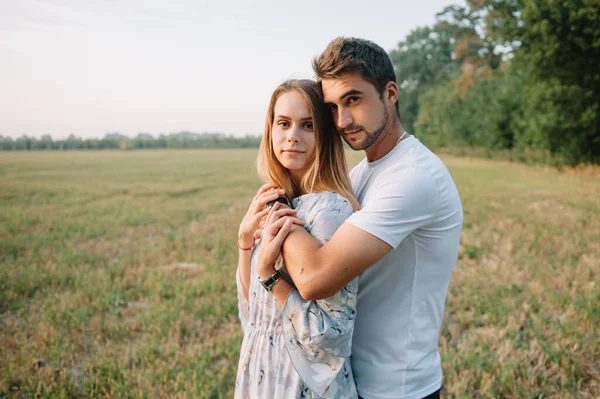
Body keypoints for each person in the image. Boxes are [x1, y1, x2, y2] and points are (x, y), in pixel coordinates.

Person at [264, 37, 464, 399]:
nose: (342, 120)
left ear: (390, 93)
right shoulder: (362, 174)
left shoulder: (414, 177)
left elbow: (313, 278)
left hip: (396, 387)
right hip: (353, 379)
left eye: (353, 99)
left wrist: (279, 201)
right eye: (332, 107)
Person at [234, 79, 361, 398]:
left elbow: (329, 337)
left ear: (325, 135)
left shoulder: (330, 210)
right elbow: (253, 314)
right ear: (271, 131)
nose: (292, 136)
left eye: (307, 125)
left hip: (302, 383)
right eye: (284, 123)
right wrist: (245, 242)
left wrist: (269, 275)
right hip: (263, 368)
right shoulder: (274, 199)